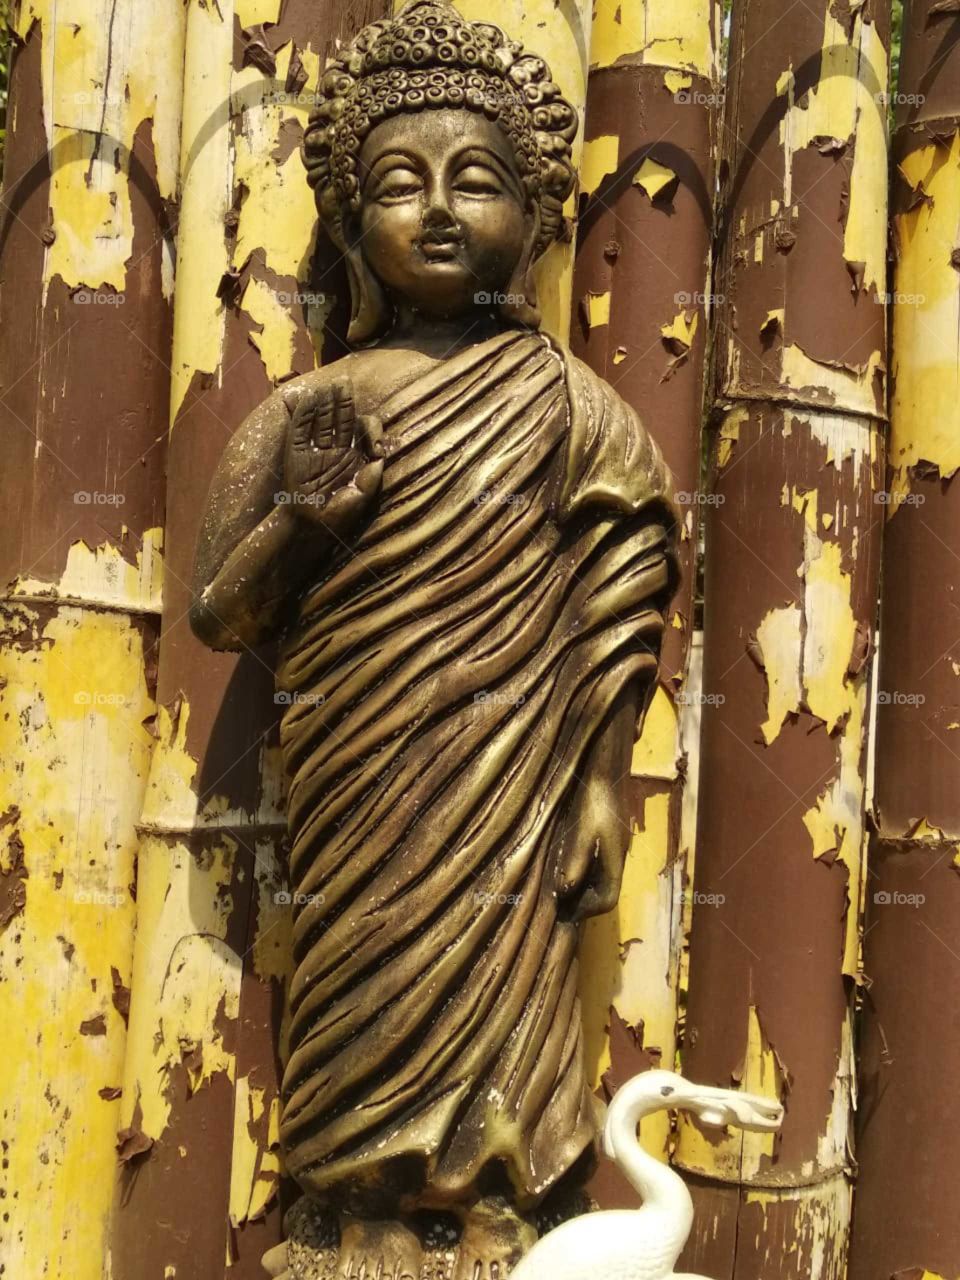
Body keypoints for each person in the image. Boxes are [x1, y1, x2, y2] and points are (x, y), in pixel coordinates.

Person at [191, 4, 678, 1276]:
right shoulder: (312, 407)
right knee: (361, 981)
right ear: (352, 226)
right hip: (363, 778)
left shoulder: (568, 402)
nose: (441, 211)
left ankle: (485, 1211)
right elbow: (219, 613)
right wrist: (302, 524)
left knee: (502, 995)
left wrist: (599, 780)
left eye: (479, 182)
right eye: (402, 186)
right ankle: (350, 1211)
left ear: (533, 217)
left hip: (509, 782)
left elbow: (627, 574)